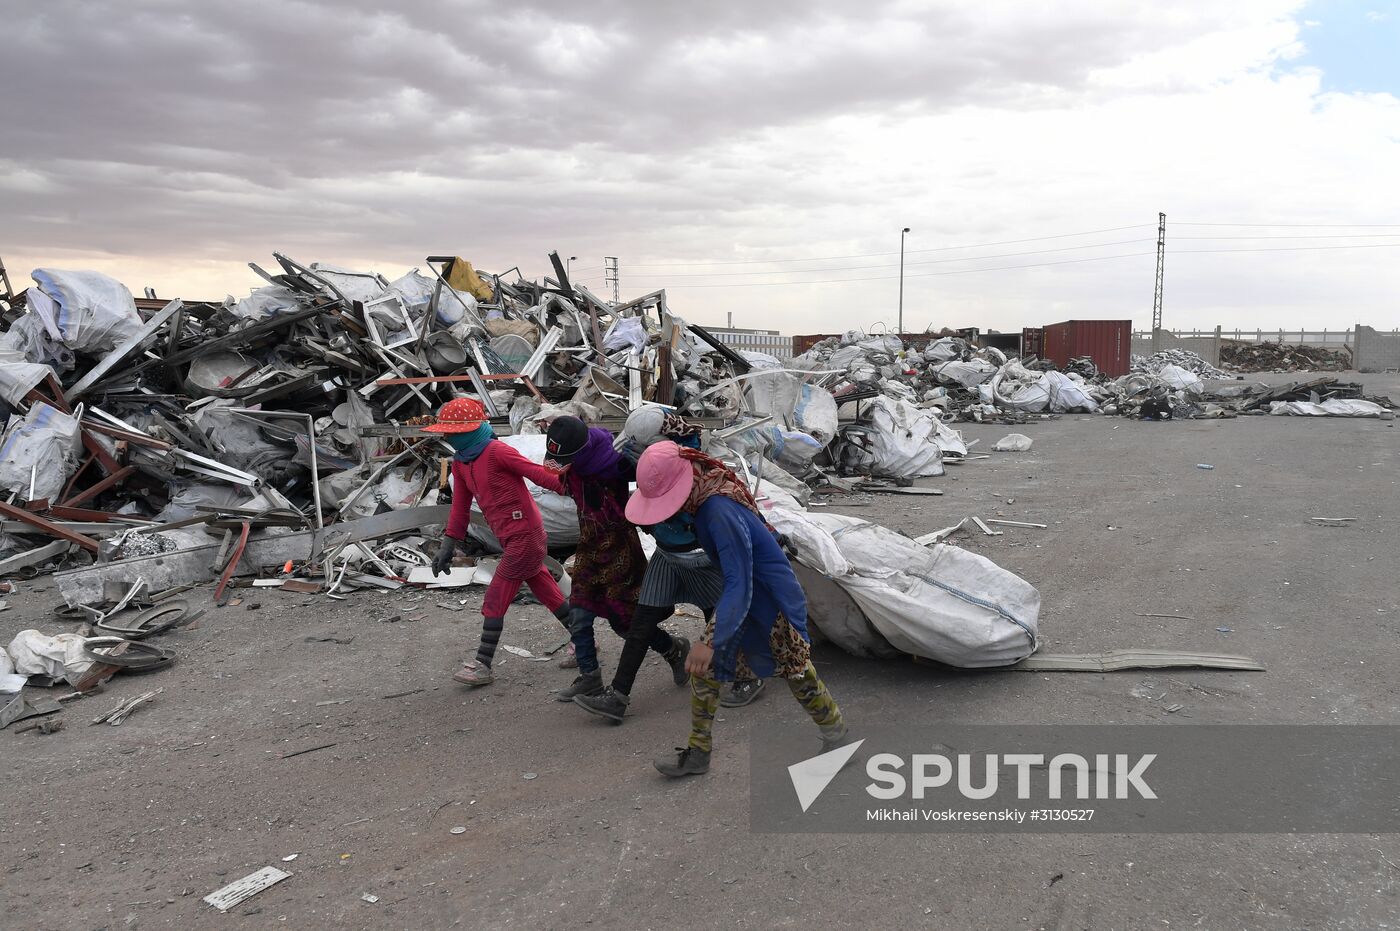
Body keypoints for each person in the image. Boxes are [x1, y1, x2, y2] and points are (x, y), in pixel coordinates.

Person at [623, 441, 848, 777]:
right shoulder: (705, 496)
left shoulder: (718, 512)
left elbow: (739, 582)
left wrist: (710, 639)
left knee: (797, 671)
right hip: (745, 596)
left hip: (770, 601)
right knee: (706, 671)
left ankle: (838, 738)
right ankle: (698, 752)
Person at [573, 410, 761, 725]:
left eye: (639, 446)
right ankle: (617, 697)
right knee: (640, 624)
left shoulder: (699, 467)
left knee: (718, 621)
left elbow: (733, 506)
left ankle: (747, 676)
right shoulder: (648, 461)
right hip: (667, 556)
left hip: (701, 558)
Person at [538, 416, 689, 701]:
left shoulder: (615, 464)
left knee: (626, 623)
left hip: (620, 550)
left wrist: (644, 462)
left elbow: (656, 479)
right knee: (579, 615)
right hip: (589, 549)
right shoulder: (573, 465)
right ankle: (590, 678)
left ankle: (674, 649)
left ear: (580, 452)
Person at [425, 397, 572, 686]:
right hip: (508, 537)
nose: (447, 438)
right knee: (547, 591)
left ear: (468, 431)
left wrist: (576, 487)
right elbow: (460, 508)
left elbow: (539, 475)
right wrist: (447, 546)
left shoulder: (497, 452)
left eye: (452, 433)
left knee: (496, 595)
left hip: (526, 536)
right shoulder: (461, 463)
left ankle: (482, 663)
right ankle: (584, 640)